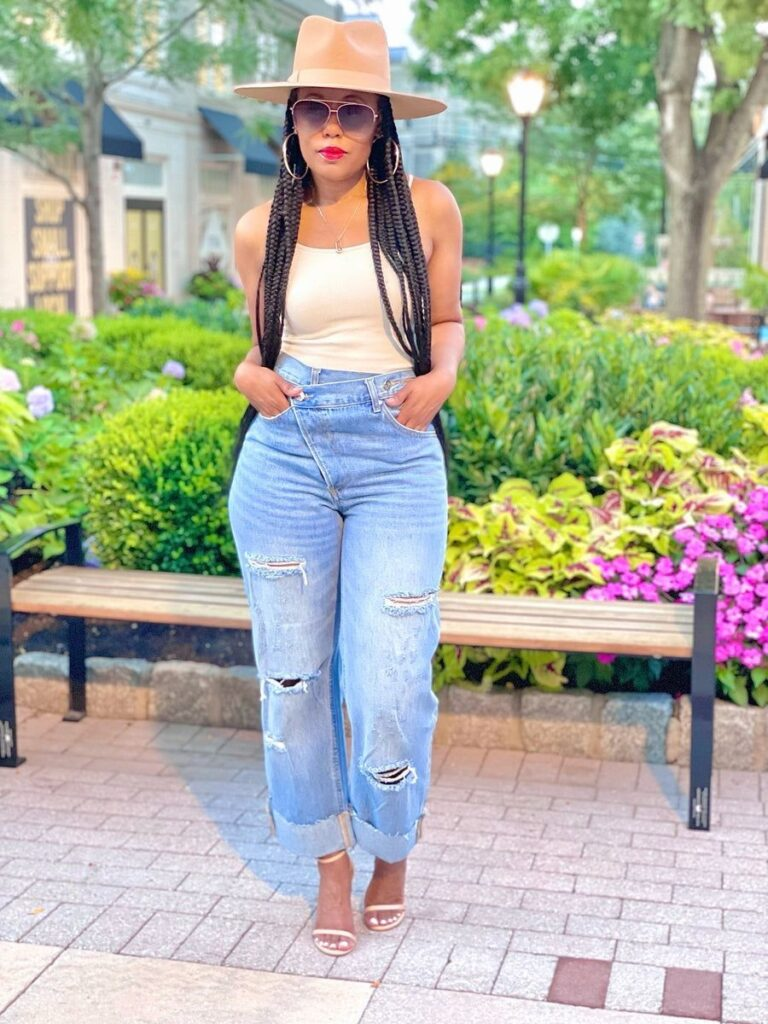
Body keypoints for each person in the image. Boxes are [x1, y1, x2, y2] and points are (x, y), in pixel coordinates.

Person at [227, 14, 464, 957]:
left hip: (396, 453)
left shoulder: (428, 208)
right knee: (293, 682)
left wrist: (443, 377)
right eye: (313, 108)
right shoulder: (259, 228)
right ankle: (327, 862)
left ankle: (390, 849)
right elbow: (261, 346)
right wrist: (245, 375)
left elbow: (445, 319)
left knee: (390, 678)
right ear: (290, 119)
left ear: (381, 122)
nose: (332, 126)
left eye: (353, 110)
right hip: (285, 457)